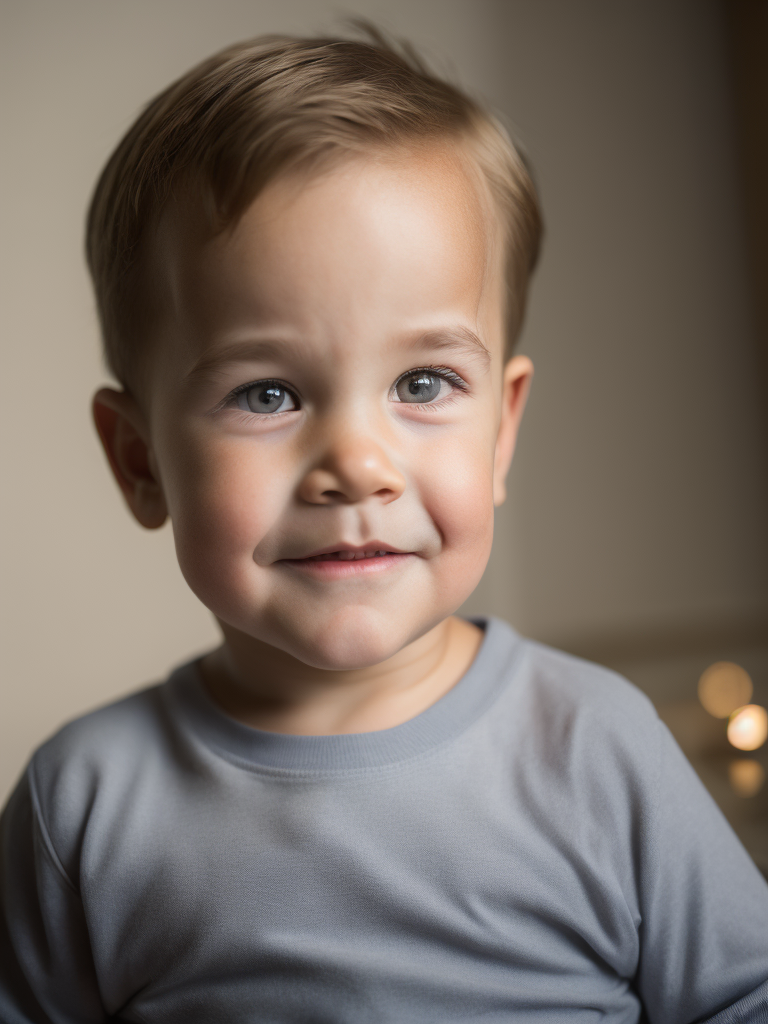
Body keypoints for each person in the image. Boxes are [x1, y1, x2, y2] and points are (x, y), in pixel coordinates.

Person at [1, 27, 766, 1024]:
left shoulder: (594, 748)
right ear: (140, 460)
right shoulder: (85, 806)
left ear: (500, 434)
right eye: (268, 393)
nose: (356, 464)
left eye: (423, 382)